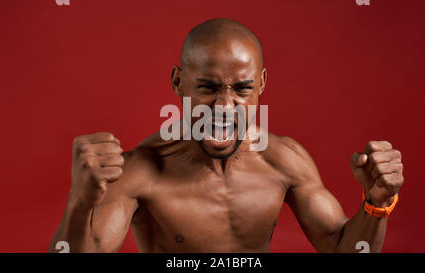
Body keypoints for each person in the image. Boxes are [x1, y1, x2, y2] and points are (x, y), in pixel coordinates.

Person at [49, 18, 404, 253]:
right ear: (178, 82)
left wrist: (376, 204)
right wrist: (79, 204)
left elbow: (344, 247)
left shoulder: (284, 160)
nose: (224, 105)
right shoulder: (141, 171)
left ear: (262, 83)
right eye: (208, 87)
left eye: (242, 88)